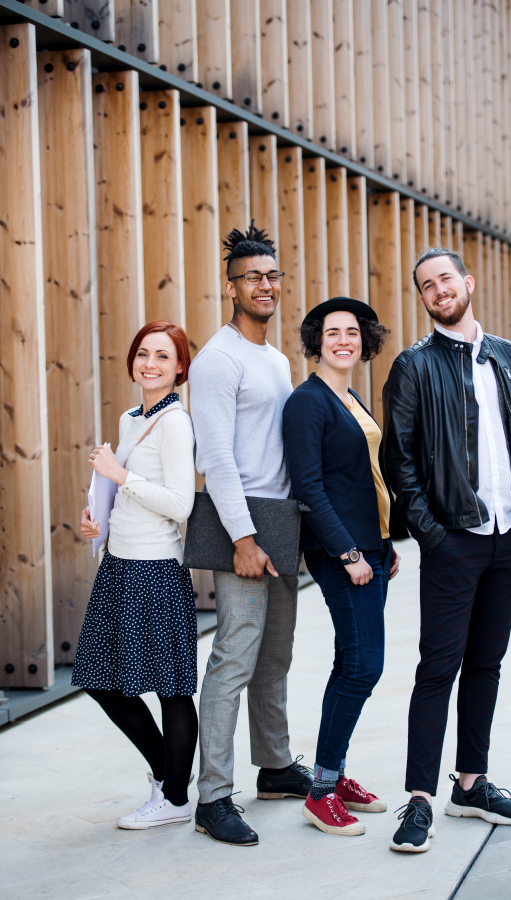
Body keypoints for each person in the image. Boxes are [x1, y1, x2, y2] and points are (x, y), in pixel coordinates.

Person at [383, 247, 511, 853]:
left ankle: (471, 784)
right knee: (438, 668)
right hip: (455, 540)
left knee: (486, 663)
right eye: (426, 285)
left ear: (467, 283)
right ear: (423, 298)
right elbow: (397, 460)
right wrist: (432, 532)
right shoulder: (413, 366)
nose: (437, 291)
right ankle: (420, 799)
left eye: (444, 279)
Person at [189, 223, 312, 847]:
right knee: (235, 655)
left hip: (282, 519)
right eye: (251, 277)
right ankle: (212, 796)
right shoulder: (217, 359)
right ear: (230, 285)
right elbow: (216, 456)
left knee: (276, 656)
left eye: (271, 276)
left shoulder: (276, 358)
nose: (264, 286)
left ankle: (277, 766)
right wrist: (242, 537)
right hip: (240, 519)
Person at [283, 297, 405, 836]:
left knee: (353, 662)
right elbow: (309, 487)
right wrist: (350, 553)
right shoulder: (307, 402)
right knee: (362, 666)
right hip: (343, 555)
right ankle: (322, 790)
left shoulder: (349, 394)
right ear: (316, 340)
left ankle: (335, 773)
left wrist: (384, 540)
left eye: (352, 332)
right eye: (332, 332)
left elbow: (364, 477)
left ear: (364, 341)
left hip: (370, 546)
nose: (343, 340)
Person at [72, 321, 198, 830]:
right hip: (118, 565)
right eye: (143, 353)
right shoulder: (130, 418)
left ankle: (174, 796)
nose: (150, 363)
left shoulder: (175, 422)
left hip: (156, 570)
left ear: (179, 368)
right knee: (101, 679)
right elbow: (120, 491)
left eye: (163, 357)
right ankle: (168, 778)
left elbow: (181, 504)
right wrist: (95, 516)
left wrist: (123, 476)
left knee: (169, 687)